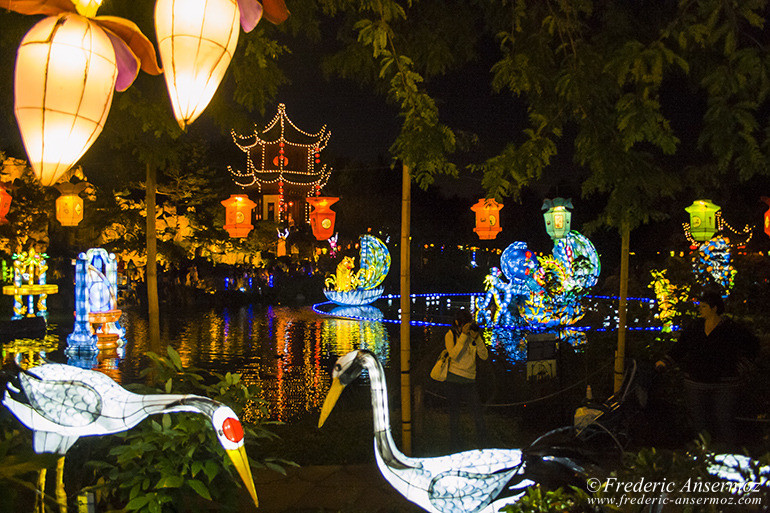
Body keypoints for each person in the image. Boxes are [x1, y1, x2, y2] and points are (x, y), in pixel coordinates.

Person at [656, 290, 758, 446]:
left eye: (703, 306)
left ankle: (729, 454)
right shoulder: (695, 327)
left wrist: (741, 366)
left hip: (724, 383)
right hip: (696, 381)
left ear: (714, 308)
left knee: (724, 419)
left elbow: (752, 346)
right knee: (699, 421)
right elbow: (681, 347)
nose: (700, 309)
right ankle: (703, 455)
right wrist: (665, 361)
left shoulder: (731, 329)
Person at [445, 309, 489, 449]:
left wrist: (478, 338)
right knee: (454, 415)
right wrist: (463, 336)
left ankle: (483, 444)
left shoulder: (472, 336)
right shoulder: (450, 335)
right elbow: (454, 355)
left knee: (477, 414)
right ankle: (455, 444)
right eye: (465, 324)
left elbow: (484, 356)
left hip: (470, 381)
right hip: (454, 381)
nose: (467, 327)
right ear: (458, 323)